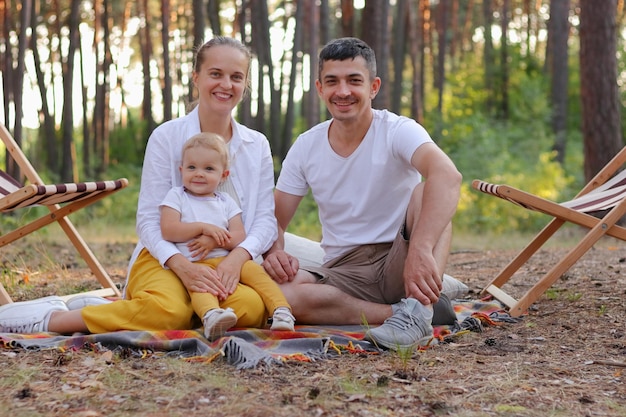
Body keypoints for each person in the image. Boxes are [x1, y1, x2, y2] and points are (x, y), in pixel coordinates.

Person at [0, 37, 278, 338]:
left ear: (245, 84)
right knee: (169, 311)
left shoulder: (256, 144)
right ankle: (51, 319)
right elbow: (148, 221)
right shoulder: (166, 137)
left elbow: (265, 219)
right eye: (216, 73)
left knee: (251, 308)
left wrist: (237, 258)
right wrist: (183, 267)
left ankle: (125, 308)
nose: (226, 84)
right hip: (166, 255)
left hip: (222, 259)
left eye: (236, 77)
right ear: (196, 77)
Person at [262, 37, 463, 351]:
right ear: (320, 89)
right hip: (344, 270)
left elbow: (448, 176)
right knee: (281, 294)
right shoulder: (306, 146)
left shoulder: (398, 130)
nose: (343, 91)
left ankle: (416, 306)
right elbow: (275, 218)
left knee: (429, 192)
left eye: (354, 81)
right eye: (332, 82)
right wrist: (274, 249)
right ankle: (407, 314)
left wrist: (421, 249)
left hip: (401, 255)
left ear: (373, 86)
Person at [160, 132, 294, 340]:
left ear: (224, 175)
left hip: (226, 259)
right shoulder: (177, 196)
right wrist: (202, 227)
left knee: (255, 272)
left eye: (209, 168)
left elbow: (238, 236)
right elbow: (169, 230)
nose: (199, 174)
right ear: (181, 170)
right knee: (201, 286)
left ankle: (281, 310)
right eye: (192, 167)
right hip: (196, 262)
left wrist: (214, 239)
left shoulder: (226, 202)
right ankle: (211, 316)